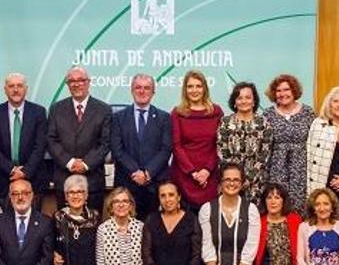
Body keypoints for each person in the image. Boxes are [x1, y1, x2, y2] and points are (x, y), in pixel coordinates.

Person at [48, 66, 111, 212]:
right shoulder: (56, 109)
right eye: (72, 81)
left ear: (88, 82)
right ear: (67, 85)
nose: (76, 84)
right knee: (64, 228)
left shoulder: (103, 109)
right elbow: (51, 140)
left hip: (92, 180)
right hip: (64, 179)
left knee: (92, 226)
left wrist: (86, 164)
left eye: (81, 80)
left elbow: (105, 142)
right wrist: (70, 163)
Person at [111, 73, 172, 220]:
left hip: (155, 184)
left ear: (153, 92)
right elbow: (117, 149)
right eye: (138, 87)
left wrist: (147, 173)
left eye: (147, 88)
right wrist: (135, 172)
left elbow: (166, 149)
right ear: (131, 90)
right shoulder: (118, 118)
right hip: (127, 183)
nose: (142, 91)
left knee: (153, 229)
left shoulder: (164, 118)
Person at [0, 72, 48, 205]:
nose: (15, 89)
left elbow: (40, 146)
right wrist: (12, 169)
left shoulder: (39, 112)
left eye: (19, 85)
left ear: (26, 89)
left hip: (33, 178)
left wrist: (25, 172)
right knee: (4, 222)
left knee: (32, 222)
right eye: (11, 86)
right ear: (5, 89)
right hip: (2, 178)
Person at [263, 74, 316, 217]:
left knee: (300, 204)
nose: (282, 94)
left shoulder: (308, 112)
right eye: (278, 91)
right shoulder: (267, 114)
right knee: (277, 202)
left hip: (301, 166)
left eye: (286, 89)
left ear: (294, 91)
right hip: (276, 166)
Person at [171, 70, 223, 212]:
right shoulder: (177, 113)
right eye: (190, 86)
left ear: (204, 88)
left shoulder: (216, 111)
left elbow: (218, 145)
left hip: (210, 176)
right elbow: (177, 146)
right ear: (185, 90)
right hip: (184, 176)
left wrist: (206, 170)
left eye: (198, 86)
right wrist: (193, 172)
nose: (194, 90)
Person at [217, 82, 272, 205]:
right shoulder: (225, 122)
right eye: (239, 98)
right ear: (234, 102)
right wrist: (235, 180)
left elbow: (264, 155)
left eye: (248, 97)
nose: (244, 101)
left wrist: (249, 180)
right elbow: (222, 153)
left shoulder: (263, 123)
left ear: (254, 101)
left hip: (256, 183)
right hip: (230, 182)